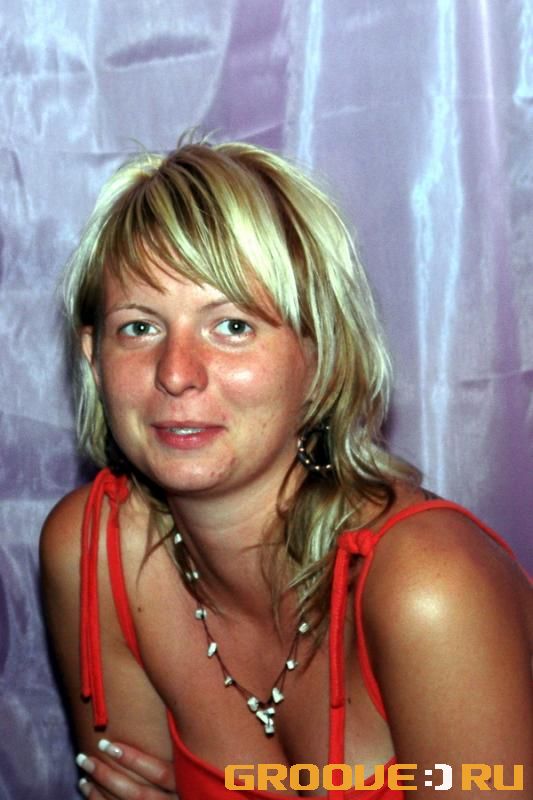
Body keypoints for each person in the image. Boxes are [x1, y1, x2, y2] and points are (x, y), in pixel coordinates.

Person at [40, 136, 532, 800]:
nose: (176, 373)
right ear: (93, 357)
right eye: (139, 327)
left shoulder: (429, 589)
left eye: (232, 326)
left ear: (320, 355)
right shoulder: (95, 552)